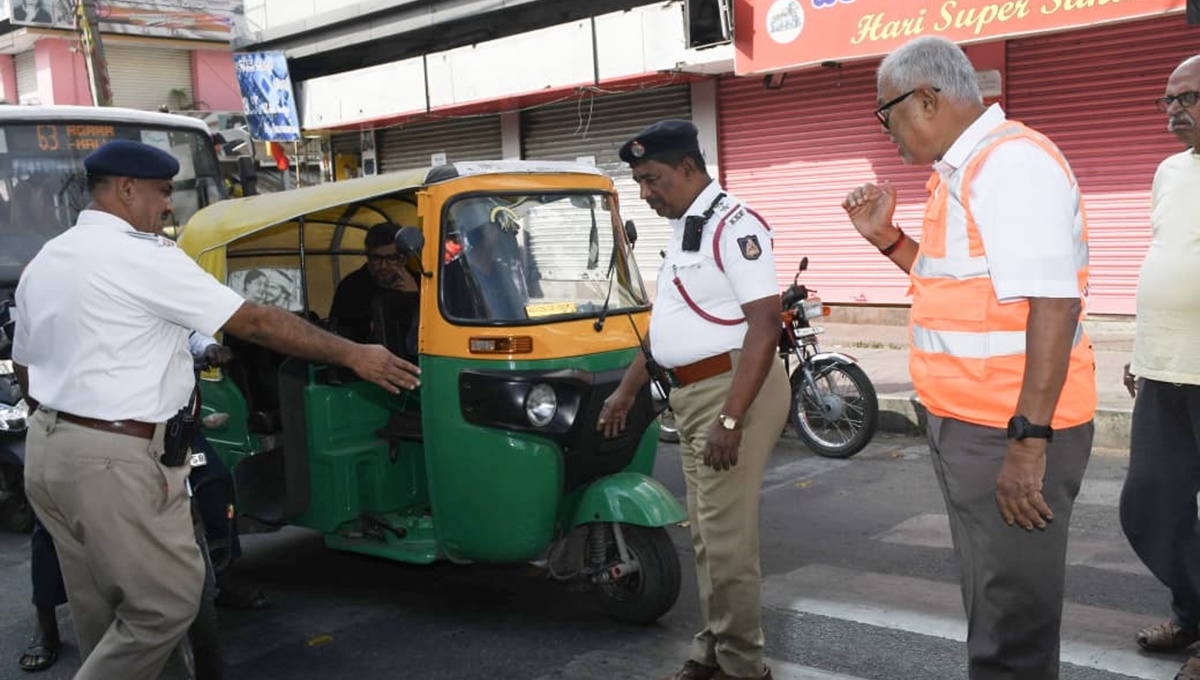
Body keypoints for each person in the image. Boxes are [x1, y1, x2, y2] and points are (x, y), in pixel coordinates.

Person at [11, 139, 420, 680]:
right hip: (116, 460)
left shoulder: (49, 258)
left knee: (104, 614)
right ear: (126, 189)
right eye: (161, 193)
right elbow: (252, 321)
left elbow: (25, 367)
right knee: (167, 607)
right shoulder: (138, 254)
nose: (167, 207)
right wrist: (353, 354)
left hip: (49, 449)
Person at [841, 36, 1096, 679]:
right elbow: (952, 286)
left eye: (885, 112)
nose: (885, 130)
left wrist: (1028, 443)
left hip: (1008, 429)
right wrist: (887, 240)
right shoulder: (963, 171)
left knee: (1012, 626)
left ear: (926, 98)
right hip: (972, 424)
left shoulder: (1009, 164)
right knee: (992, 602)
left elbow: (1053, 305)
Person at [598, 120, 789, 680]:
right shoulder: (690, 227)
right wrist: (627, 389)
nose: (646, 193)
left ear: (687, 167)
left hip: (732, 391)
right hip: (692, 394)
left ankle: (743, 666)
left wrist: (731, 417)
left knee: (726, 538)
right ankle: (715, 646)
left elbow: (764, 326)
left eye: (652, 179)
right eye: (638, 182)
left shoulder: (735, 225)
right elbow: (667, 323)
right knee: (708, 533)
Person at [16, 334, 265, 674]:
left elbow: (188, 328)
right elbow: (26, 360)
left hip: (174, 420)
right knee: (51, 530)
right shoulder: (70, 299)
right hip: (100, 427)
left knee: (216, 482)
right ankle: (45, 624)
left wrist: (209, 347)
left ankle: (224, 575)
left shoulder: (151, 288)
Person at [1119, 54, 1200, 680]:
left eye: (1189, 97)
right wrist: (1141, 349)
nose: (1175, 110)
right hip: (1165, 369)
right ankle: (1194, 610)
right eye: (1168, 99)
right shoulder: (1169, 172)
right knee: (1149, 505)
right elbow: (1167, 257)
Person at [328, 222, 419, 343]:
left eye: (391, 258)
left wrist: (414, 297)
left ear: (403, 258)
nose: (383, 266)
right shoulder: (350, 287)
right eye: (376, 258)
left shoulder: (420, 282)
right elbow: (337, 334)